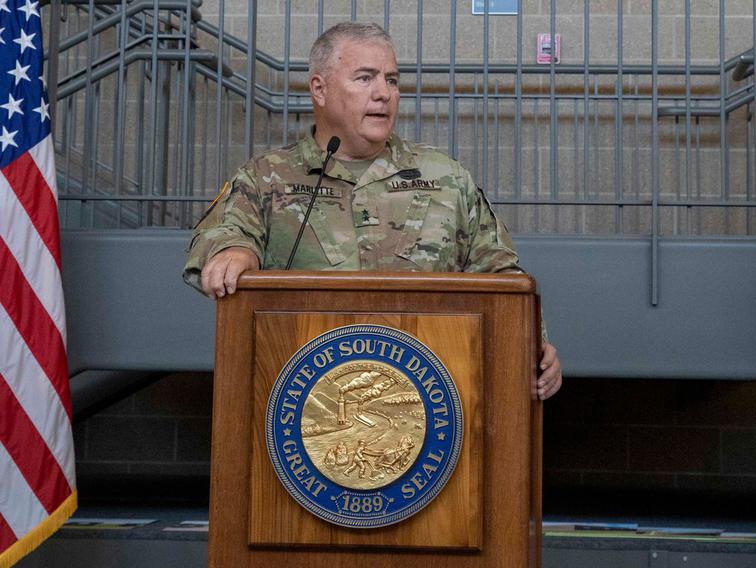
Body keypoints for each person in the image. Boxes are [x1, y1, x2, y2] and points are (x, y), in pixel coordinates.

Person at [183, 22, 562, 400]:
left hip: (434, 396)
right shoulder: (266, 176)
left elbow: (502, 274)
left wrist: (535, 346)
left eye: (392, 80)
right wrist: (235, 251)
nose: (384, 94)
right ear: (319, 88)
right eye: (365, 78)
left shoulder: (445, 177)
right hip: (303, 396)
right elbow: (222, 235)